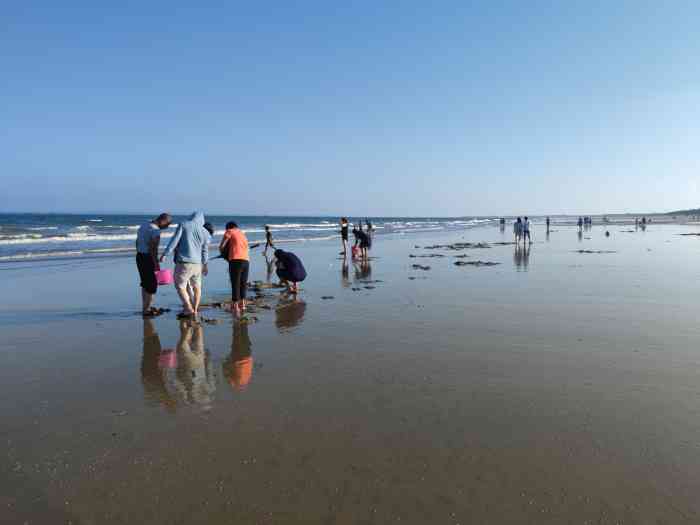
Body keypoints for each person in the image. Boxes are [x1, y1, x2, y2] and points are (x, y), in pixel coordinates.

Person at [161, 211, 209, 319]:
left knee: (180, 286)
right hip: (198, 264)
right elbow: (205, 251)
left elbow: (174, 240)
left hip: (184, 262)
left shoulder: (184, 224)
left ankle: (188, 308)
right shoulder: (205, 232)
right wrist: (205, 264)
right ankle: (195, 309)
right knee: (197, 287)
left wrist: (165, 254)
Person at [135, 213, 172, 316]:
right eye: (167, 224)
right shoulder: (155, 231)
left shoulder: (144, 224)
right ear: (163, 221)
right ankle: (147, 309)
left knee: (144, 283)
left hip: (139, 256)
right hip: (148, 258)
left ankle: (145, 307)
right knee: (152, 286)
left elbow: (137, 242)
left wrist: (138, 253)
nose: (167, 227)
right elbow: (153, 249)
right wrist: (156, 264)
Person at [220, 221, 250, 316]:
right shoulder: (242, 234)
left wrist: (224, 255)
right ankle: (243, 305)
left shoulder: (229, 231)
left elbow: (221, 246)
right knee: (243, 283)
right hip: (246, 261)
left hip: (235, 260)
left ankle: (236, 306)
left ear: (229, 227)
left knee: (235, 283)